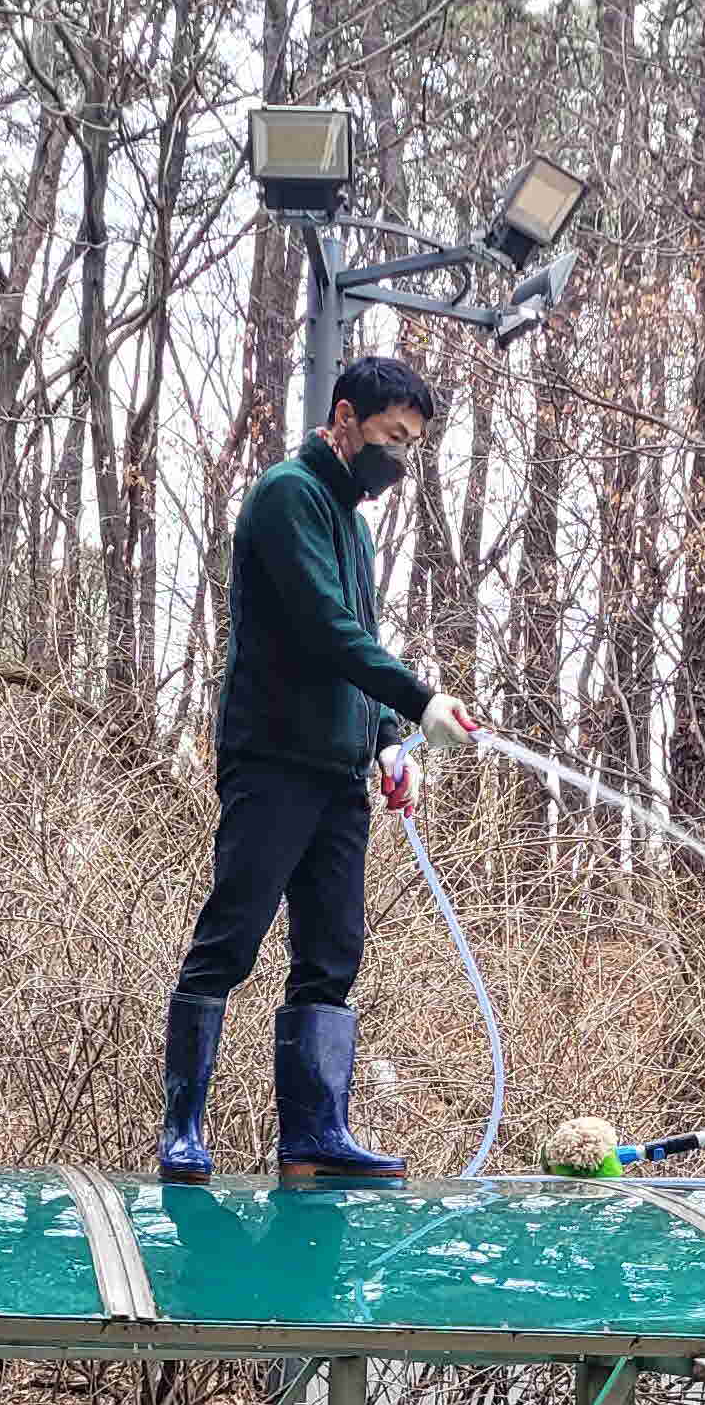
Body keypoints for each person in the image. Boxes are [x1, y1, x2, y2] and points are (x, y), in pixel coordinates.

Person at [157, 352, 481, 1186]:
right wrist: (418, 700)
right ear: (344, 418)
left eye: (410, 444)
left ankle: (313, 1135)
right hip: (272, 760)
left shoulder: (356, 525)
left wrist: (383, 738)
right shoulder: (286, 496)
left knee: (332, 952)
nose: (396, 458)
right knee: (230, 938)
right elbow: (324, 629)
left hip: (338, 772)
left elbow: (354, 646)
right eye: (389, 437)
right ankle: (182, 1129)